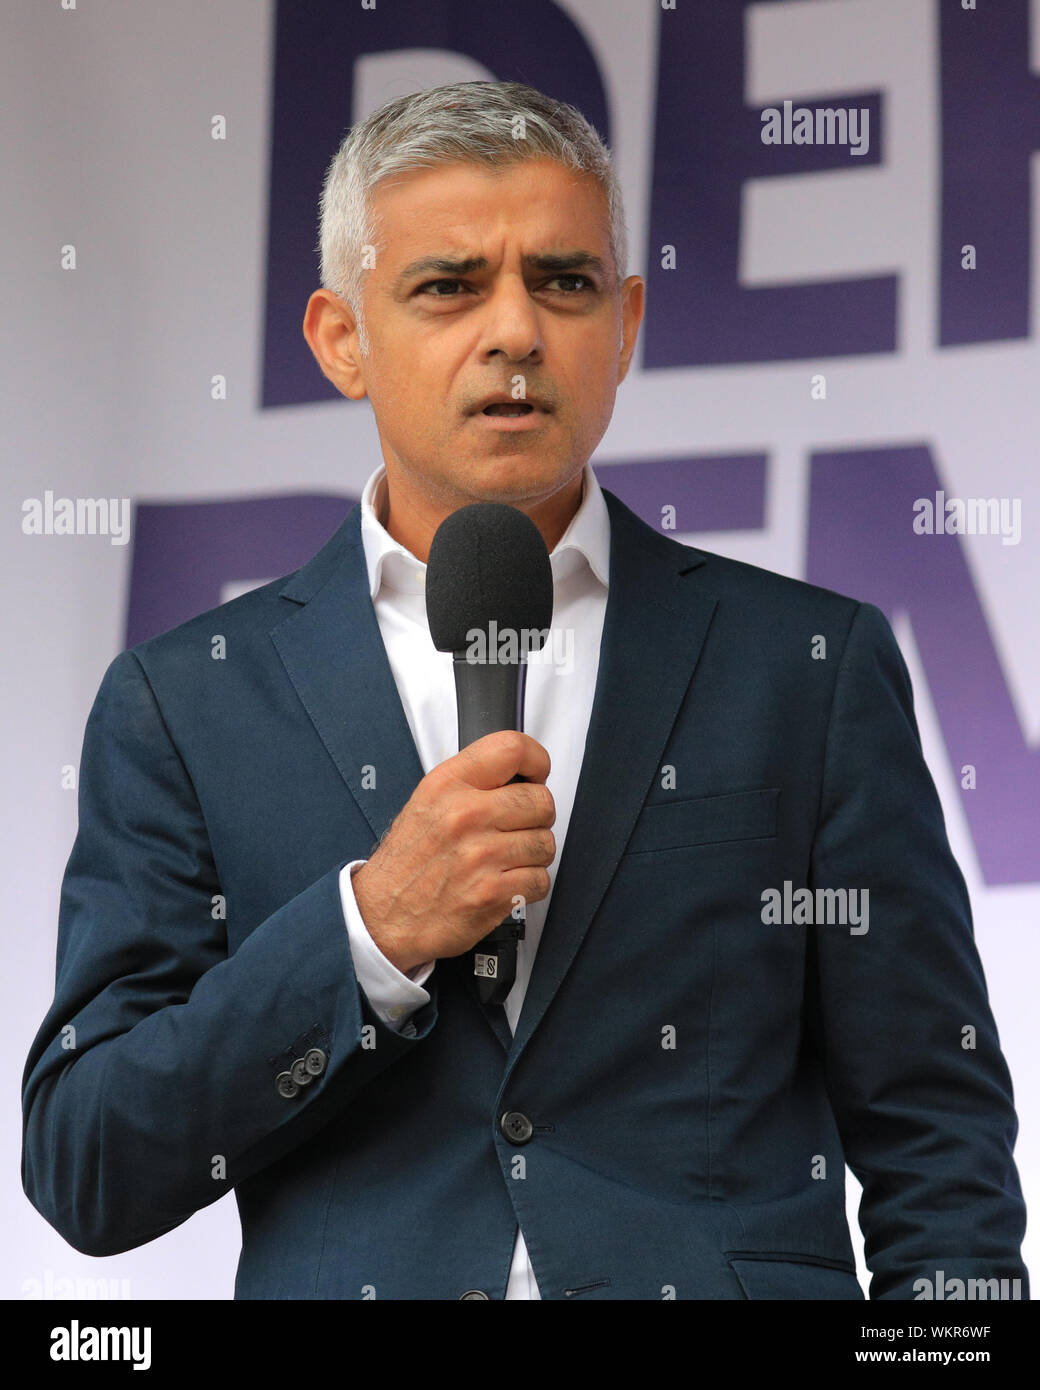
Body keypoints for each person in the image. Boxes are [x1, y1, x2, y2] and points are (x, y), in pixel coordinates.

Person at [22, 81, 1027, 1301]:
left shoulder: (804, 668)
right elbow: (89, 1163)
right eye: (447, 286)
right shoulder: (185, 703)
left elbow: (936, 1123)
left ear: (627, 323)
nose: (515, 332)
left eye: (563, 282)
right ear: (341, 338)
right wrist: (370, 932)